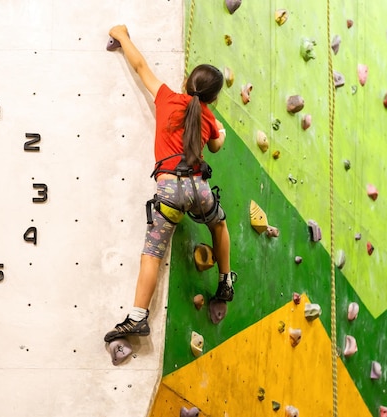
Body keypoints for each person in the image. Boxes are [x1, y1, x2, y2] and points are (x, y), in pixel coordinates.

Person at [104, 25, 236, 342]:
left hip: (169, 190)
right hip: (199, 189)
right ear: (213, 98)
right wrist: (219, 131)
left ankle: (137, 317)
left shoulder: (166, 97)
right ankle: (225, 279)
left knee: (152, 252)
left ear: (184, 82)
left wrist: (122, 37)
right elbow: (216, 147)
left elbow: (140, 67)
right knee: (219, 225)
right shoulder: (208, 117)